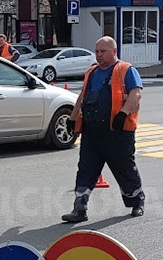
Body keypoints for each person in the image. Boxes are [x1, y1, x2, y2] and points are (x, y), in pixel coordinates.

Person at [62, 36, 145, 222]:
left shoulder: (125, 70)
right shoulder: (91, 72)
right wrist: (72, 118)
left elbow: (136, 93)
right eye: (97, 51)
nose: (98, 55)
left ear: (114, 51)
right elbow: (82, 96)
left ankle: (137, 201)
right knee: (85, 169)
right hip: (92, 133)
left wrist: (123, 113)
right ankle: (79, 209)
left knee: (125, 169)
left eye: (103, 51)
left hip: (118, 132)